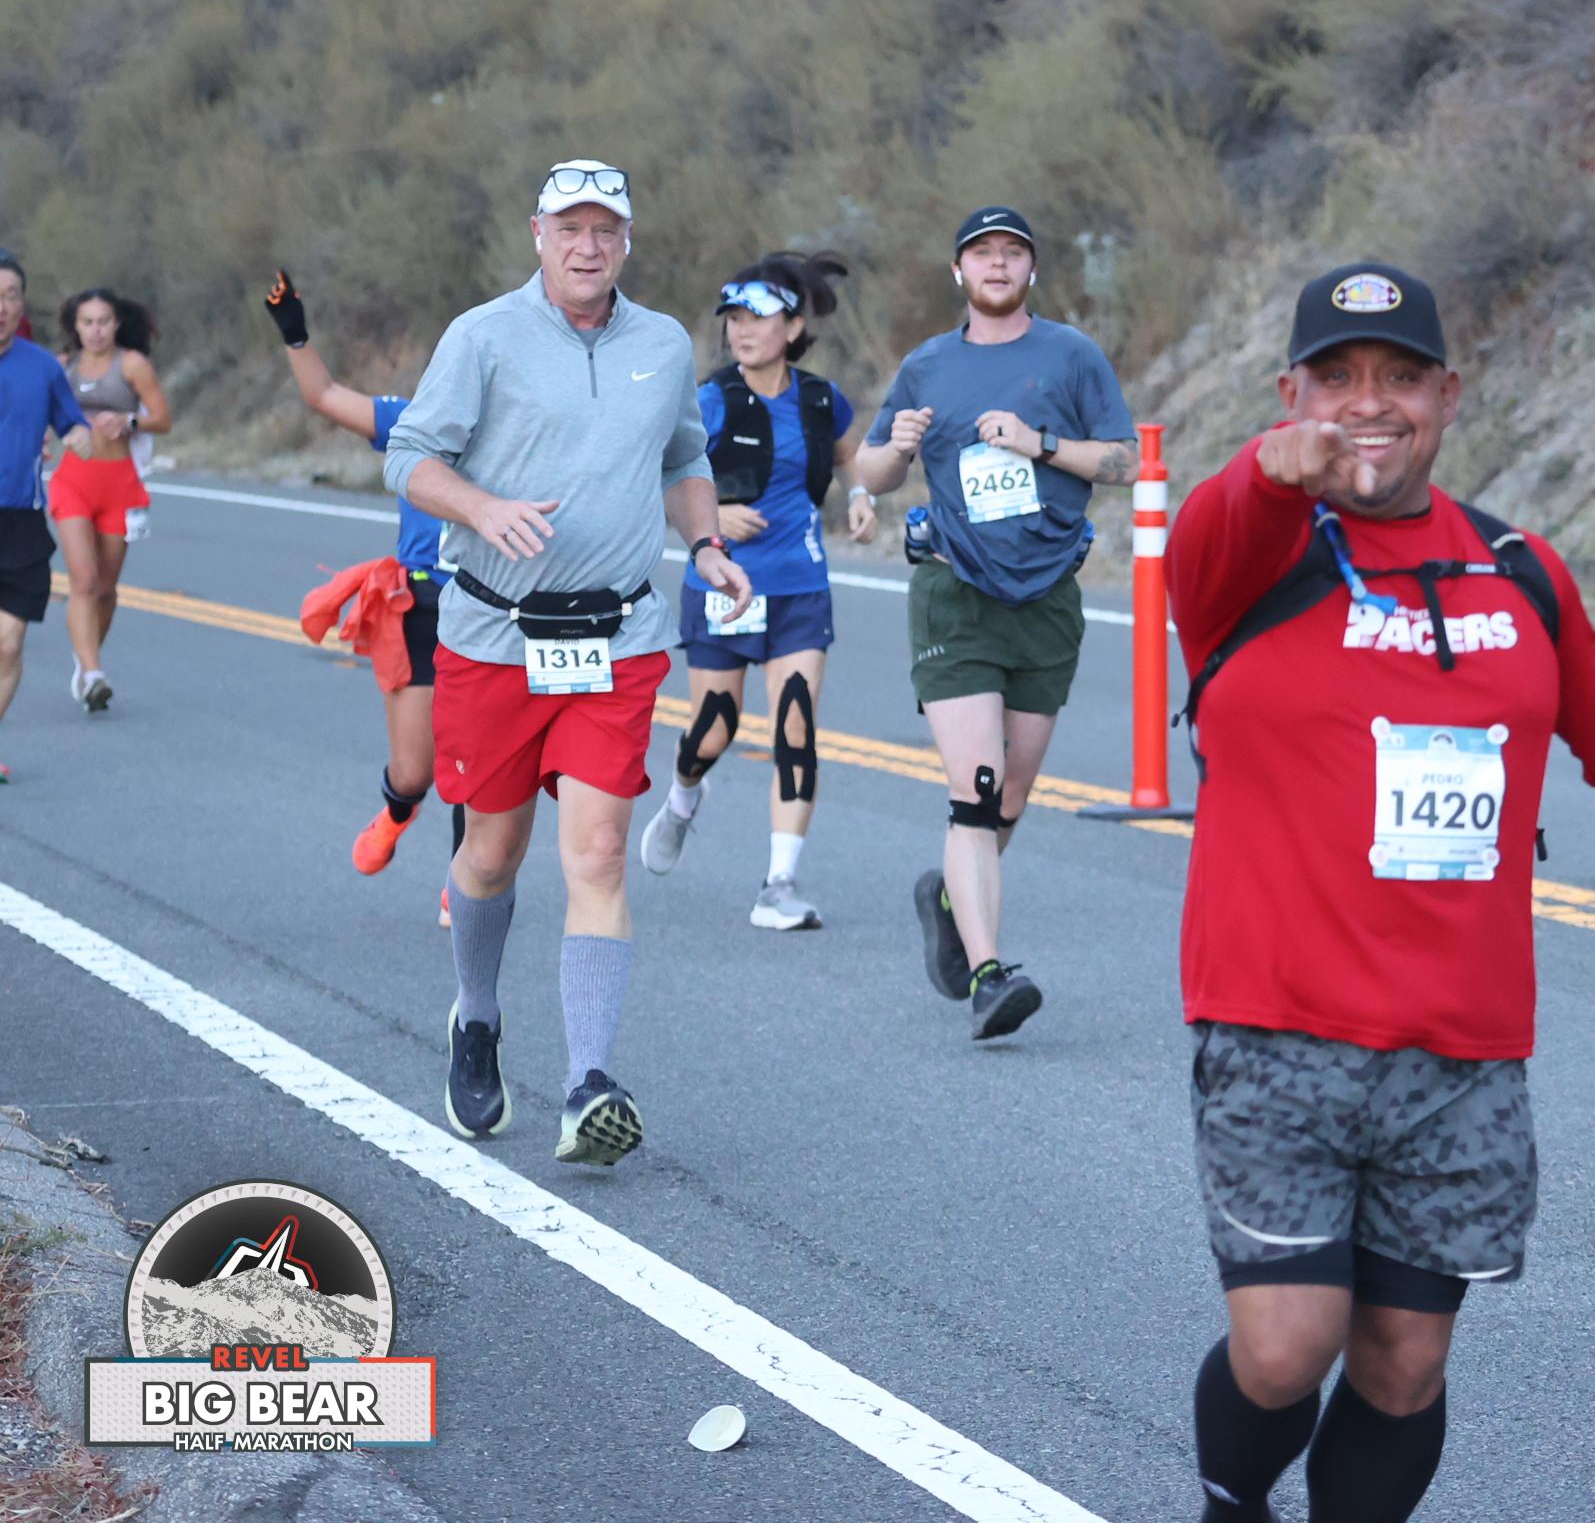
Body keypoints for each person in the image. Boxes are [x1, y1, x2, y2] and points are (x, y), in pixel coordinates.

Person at [1167, 262, 1595, 1523]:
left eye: (1400, 377)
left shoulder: (1516, 572)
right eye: (1337, 377)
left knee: (1405, 1363)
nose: (1370, 403)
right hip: (1275, 1026)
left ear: (1448, 397)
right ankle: (1229, 1509)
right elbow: (1213, 524)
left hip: (1460, 1048)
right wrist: (1266, 472)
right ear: (1291, 394)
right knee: (1287, 1347)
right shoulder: (1245, 554)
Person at [383, 159, 752, 1167]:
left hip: (616, 639)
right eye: (570, 228)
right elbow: (409, 455)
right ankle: (476, 1013)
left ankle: (589, 1084)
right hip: (495, 637)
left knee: (596, 855)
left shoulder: (662, 343)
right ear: (537, 235)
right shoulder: (483, 337)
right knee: (491, 854)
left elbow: (683, 458)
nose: (588, 246)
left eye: (606, 230)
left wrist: (706, 544)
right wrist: (481, 507)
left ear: (627, 241)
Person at [852, 206, 1137, 1039]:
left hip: (1046, 597)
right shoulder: (927, 365)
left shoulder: (1071, 355)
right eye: (983, 254)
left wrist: (1038, 443)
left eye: (1013, 252)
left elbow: (1124, 460)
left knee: (1011, 793)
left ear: (1031, 269)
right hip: (955, 592)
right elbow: (868, 470)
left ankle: (950, 899)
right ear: (960, 272)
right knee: (975, 790)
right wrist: (897, 449)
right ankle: (988, 975)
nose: (998, 264)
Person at [638, 251, 875, 930]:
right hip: (723, 583)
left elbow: (849, 454)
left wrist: (860, 495)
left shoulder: (821, 400)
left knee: (796, 721)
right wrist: (713, 517)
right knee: (715, 728)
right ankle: (683, 798)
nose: (740, 330)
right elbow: (656, 477)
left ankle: (779, 884)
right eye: (733, 318)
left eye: (756, 318)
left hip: (800, 584)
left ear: (793, 328)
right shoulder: (708, 401)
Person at [262, 270, 466, 899]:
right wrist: (295, 334)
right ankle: (398, 811)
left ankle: (465, 886)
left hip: (492, 609)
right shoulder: (409, 421)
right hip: (420, 606)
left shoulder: (524, 436)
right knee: (415, 771)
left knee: (476, 759)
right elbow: (323, 395)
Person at [0, 250, 97, 781]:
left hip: (20, 522)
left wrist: (82, 437)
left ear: (22, 304)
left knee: (8, 645)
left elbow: (71, 423)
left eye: (10, 295)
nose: (1, 306)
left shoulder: (42, 368)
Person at [49, 289, 170, 713]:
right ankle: (94, 673)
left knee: (105, 587)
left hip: (120, 483)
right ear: (75, 326)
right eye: (88, 322)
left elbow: (163, 418)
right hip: (73, 481)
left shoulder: (133, 365)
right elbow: (39, 412)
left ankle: (86, 662)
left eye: (103, 321)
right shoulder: (61, 367)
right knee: (83, 580)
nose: (96, 330)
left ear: (116, 324)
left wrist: (129, 420)